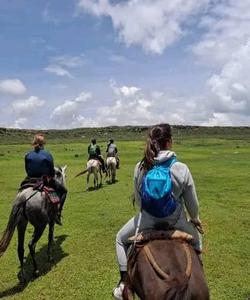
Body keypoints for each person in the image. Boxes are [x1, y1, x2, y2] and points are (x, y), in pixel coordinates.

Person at [112, 123, 203, 300]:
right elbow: (192, 203)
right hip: (176, 222)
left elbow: (139, 201)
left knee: (120, 238)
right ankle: (199, 274)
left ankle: (123, 283)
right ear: (169, 142)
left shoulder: (140, 166)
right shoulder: (181, 168)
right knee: (197, 239)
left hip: (146, 221)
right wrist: (195, 219)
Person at [22, 133, 67, 225]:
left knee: (21, 188)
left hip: (29, 179)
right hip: (44, 180)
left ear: (34, 142)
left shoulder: (27, 155)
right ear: (43, 143)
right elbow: (51, 172)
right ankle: (58, 212)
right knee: (64, 191)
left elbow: (27, 170)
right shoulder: (47, 155)